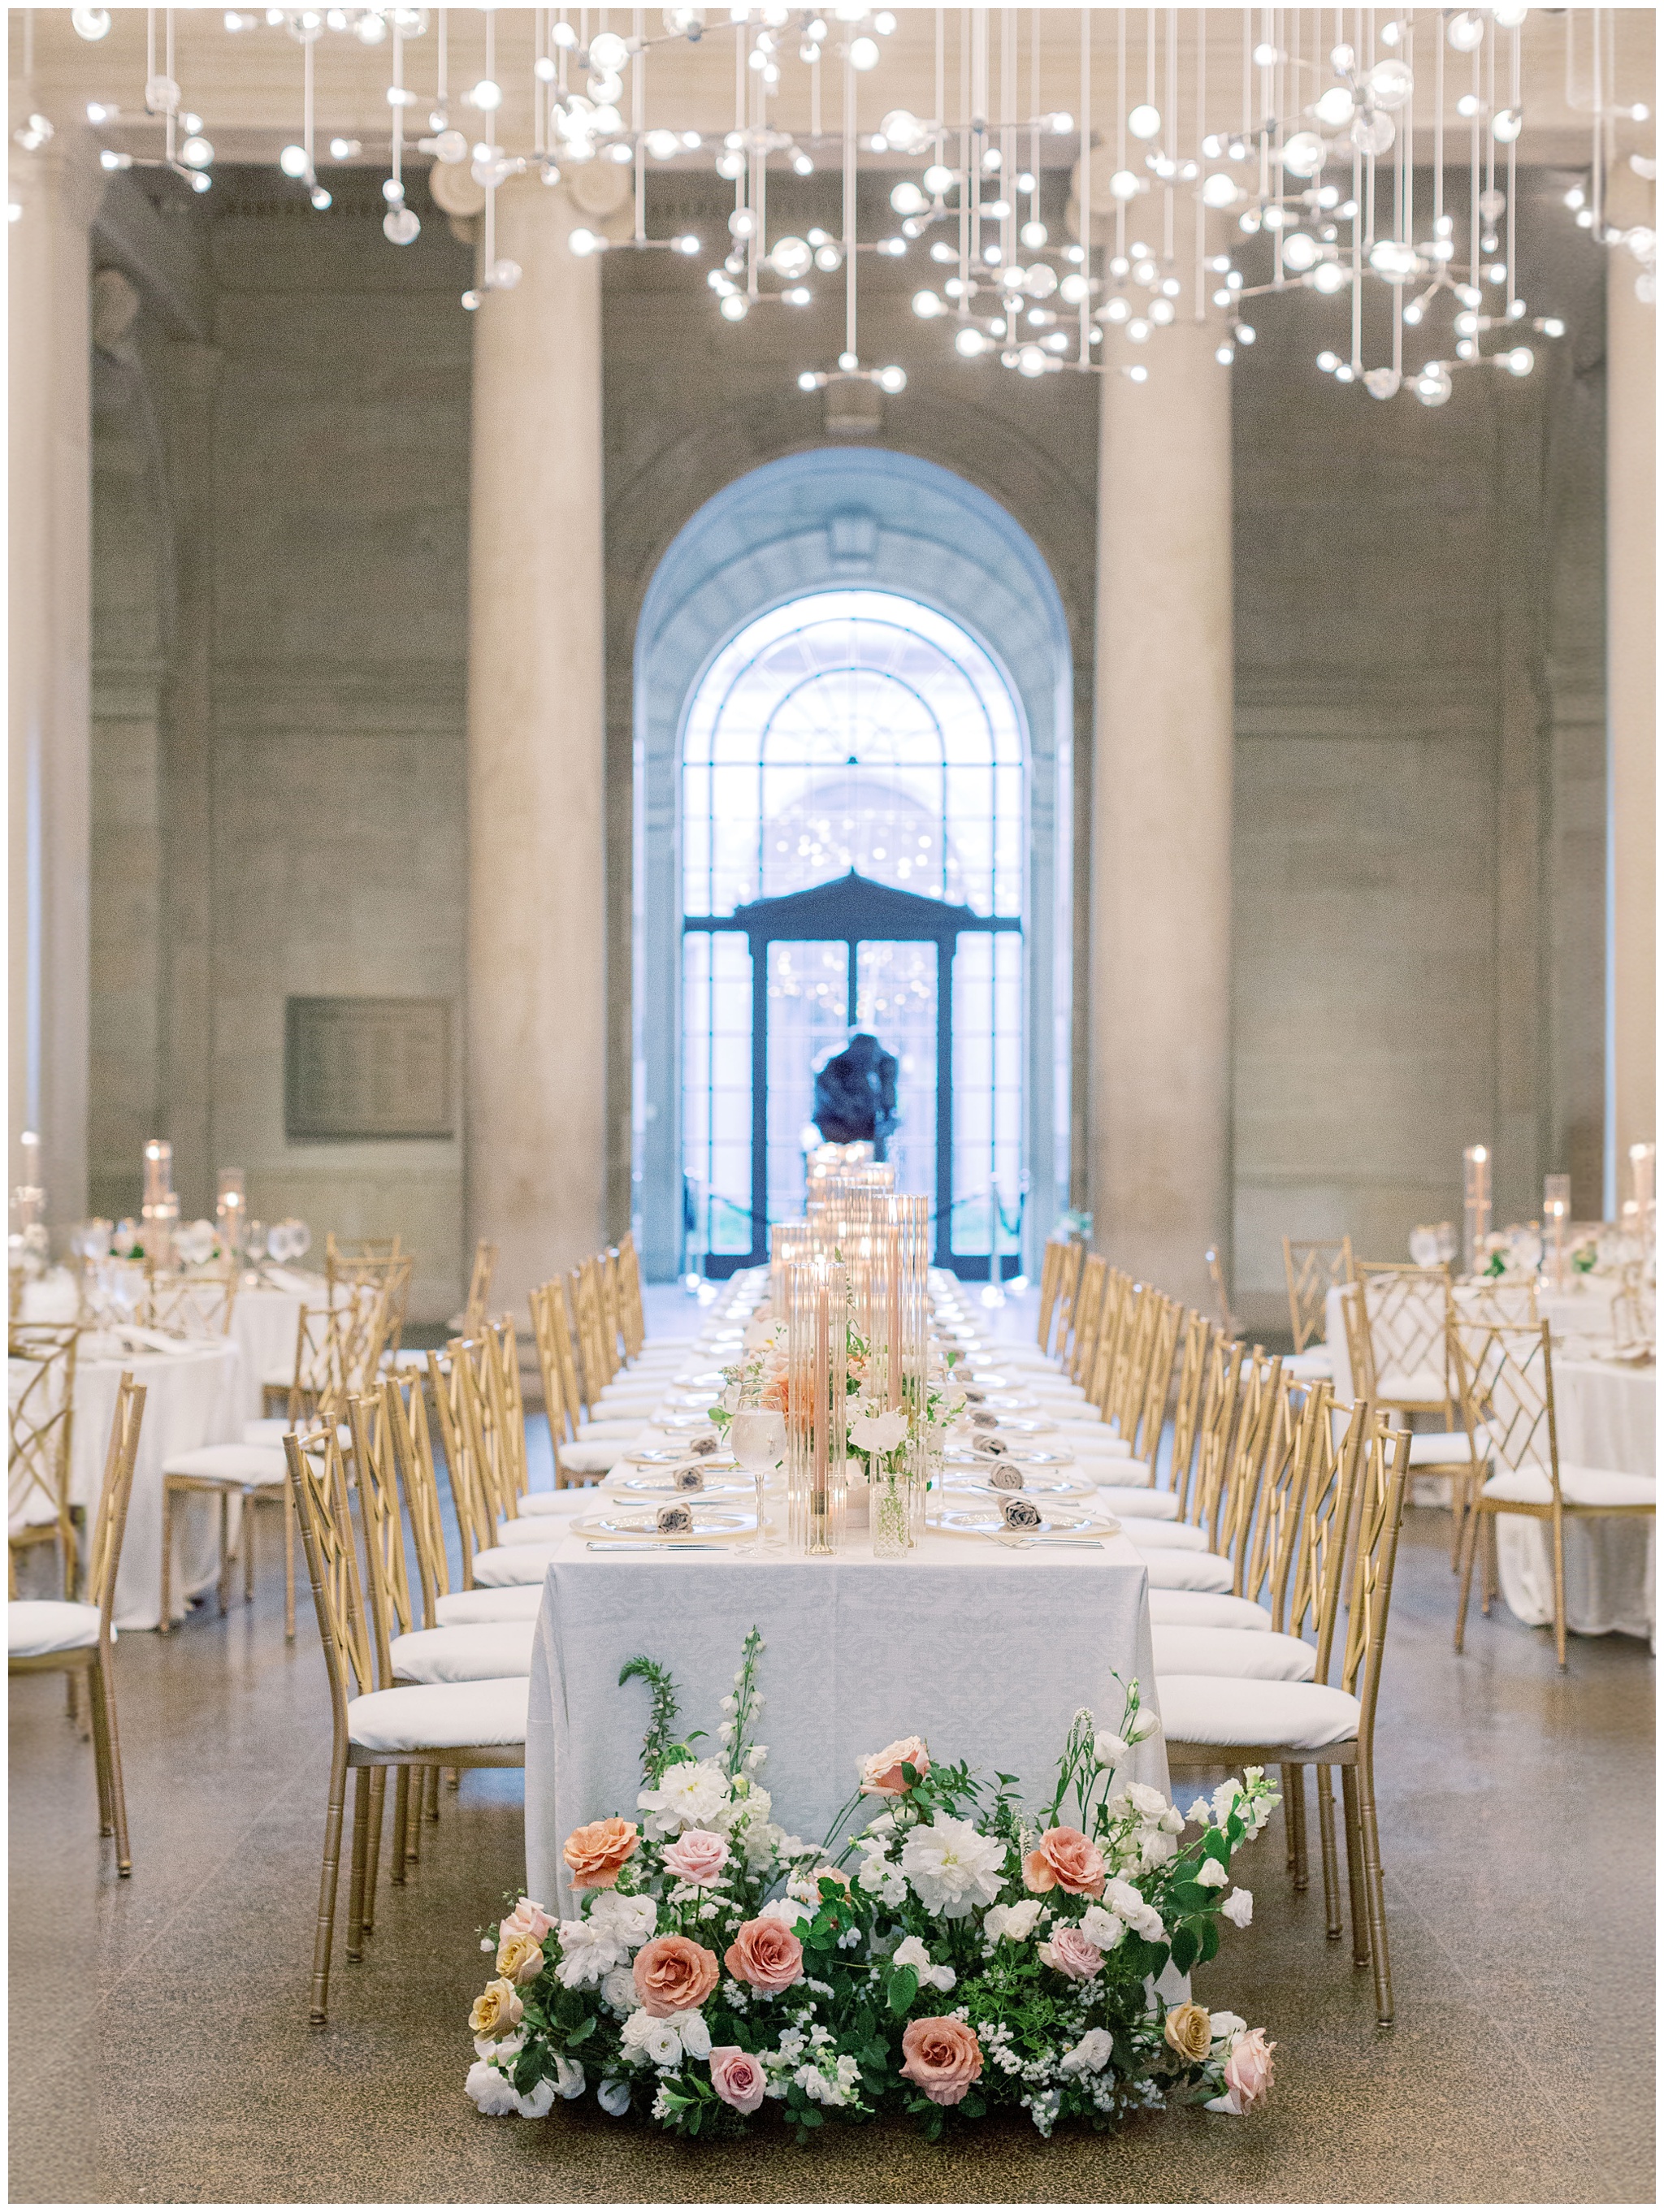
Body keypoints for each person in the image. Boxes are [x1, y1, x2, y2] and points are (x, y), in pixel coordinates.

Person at [812, 1032, 899, 1161]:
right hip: (835, 1133)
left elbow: (889, 1102)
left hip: (868, 1135)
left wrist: (887, 1121)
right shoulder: (831, 1068)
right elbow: (835, 1103)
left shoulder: (884, 1063)